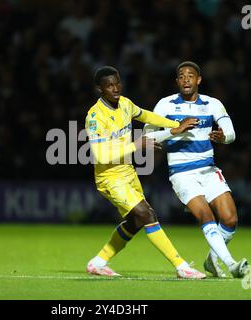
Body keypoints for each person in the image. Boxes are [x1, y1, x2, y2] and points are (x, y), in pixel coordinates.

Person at [85, 66, 206, 279]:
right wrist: (136, 145)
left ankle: (98, 262)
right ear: (99, 89)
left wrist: (175, 126)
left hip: (127, 172)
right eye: (109, 86)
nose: (115, 89)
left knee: (136, 221)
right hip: (109, 177)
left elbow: (147, 116)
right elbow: (101, 155)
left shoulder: (125, 104)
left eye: (117, 83)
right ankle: (182, 267)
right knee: (147, 214)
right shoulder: (95, 116)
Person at [144, 61, 249, 278]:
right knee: (205, 215)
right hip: (182, 173)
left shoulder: (212, 104)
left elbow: (231, 133)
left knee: (230, 220)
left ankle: (212, 259)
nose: (185, 79)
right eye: (181, 76)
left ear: (198, 79)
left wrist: (224, 138)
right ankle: (230, 264)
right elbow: (147, 137)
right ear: (176, 81)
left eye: (190, 75)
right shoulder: (165, 105)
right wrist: (175, 130)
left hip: (209, 170)